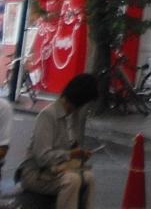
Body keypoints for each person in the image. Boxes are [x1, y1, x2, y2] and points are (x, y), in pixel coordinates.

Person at [18, 71, 98, 209]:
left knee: (89, 177)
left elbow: (73, 146)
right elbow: (42, 157)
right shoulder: (47, 116)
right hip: (37, 173)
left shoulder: (74, 116)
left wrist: (79, 155)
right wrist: (71, 154)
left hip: (59, 169)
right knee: (72, 180)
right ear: (78, 100)